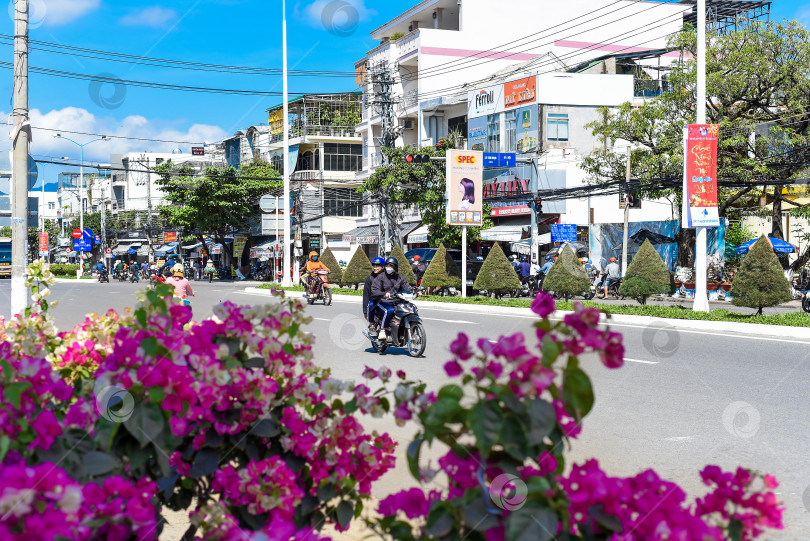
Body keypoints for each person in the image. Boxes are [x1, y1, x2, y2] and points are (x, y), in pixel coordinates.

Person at [371, 257, 412, 341]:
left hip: (397, 301)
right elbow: (374, 290)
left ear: (395, 267)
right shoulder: (381, 277)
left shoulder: (400, 278)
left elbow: (407, 288)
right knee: (389, 310)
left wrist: (416, 291)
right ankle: (382, 330)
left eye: (390, 266)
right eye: (387, 265)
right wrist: (384, 294)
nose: (388, 267)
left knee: (410, 308)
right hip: (383, 301)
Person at [363, 257, 386, 332]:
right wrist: (365, 312)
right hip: (377, 302)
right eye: (374, 265)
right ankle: (372, 325)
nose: (375, 268)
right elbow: (366, 295)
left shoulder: (388, 277)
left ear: (383, 267)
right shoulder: (370, 279)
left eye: (377, 266)